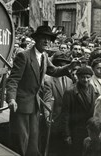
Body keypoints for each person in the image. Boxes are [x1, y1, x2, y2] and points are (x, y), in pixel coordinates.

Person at [6, 25, 79, 156]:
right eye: (43, 38)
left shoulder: (44, 56)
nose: (46, 41)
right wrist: (11, 99)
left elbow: (54, 71)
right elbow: (13, 80)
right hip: (21, 104)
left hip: (35, 104)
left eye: (49, 39)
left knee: (33, 140)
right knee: (21, 139)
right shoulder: (24, 56)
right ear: (36, 39)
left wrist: (70, 66)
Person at [61, 66, 99, 156]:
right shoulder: (70, 92)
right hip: (76, 130)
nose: (85, 80)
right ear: (77, 77)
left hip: (90, 130)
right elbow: (65, 115)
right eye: (83, 77)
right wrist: (67, 134)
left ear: (91, 77)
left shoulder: (94, 90)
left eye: (88, 77)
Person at [41, 51, 74, 156]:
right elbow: (48, 99)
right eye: (59, 64)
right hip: (54, 120)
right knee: (52, 149)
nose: (62, 66)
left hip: (67, 123)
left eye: (64, 64)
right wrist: (47, 115)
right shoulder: (48, 80)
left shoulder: (70, 80)